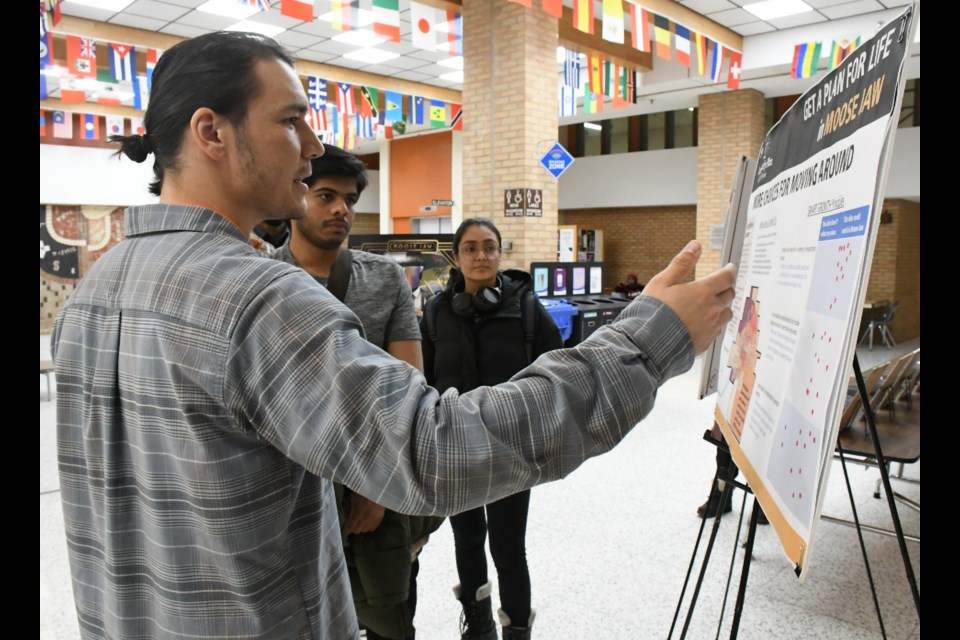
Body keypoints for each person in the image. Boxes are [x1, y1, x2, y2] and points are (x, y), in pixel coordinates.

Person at [53, 30, 736, 639]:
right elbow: (437, 450)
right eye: (292, 121)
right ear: (212, 133)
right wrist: (648, 339)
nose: (315, 146)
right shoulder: (259, 297)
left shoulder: (94, 293)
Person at [273, 145, 440, 640]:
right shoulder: (263, 279)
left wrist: (377, 486)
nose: (341, 209)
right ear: (296, 196)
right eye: (326, 195)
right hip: (288, 485)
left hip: (372, 480)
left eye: (349, 199)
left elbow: (409, 386)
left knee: (387, 613)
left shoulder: (384, 277)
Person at [420, 219, 563, 640]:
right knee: (467, 539)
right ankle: (478, 624)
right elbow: (423, 379)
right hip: (456, 449)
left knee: (507, 547)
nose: (480, 256)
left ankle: (517, 630)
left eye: (489, 247)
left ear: (500, 253)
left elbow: (558, 371)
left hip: (511, 450)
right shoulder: (435, 313)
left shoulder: (526, 309)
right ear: (457, 256)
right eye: (470, 248)